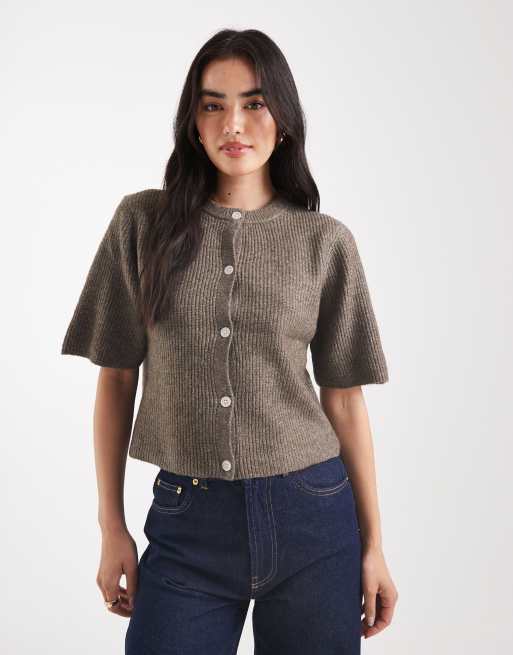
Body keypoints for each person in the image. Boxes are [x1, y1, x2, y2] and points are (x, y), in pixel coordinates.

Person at [61, 27, 398, 655]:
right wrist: (112, 527)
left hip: (314, 518)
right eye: (213, 104)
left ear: (284, 118)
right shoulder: (141, 224)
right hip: (188, 522)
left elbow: (345, 400)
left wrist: (374, 544)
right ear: (193, 122)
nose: (233, 124)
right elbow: (116, 379)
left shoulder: (324, 242)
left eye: (254, 103)